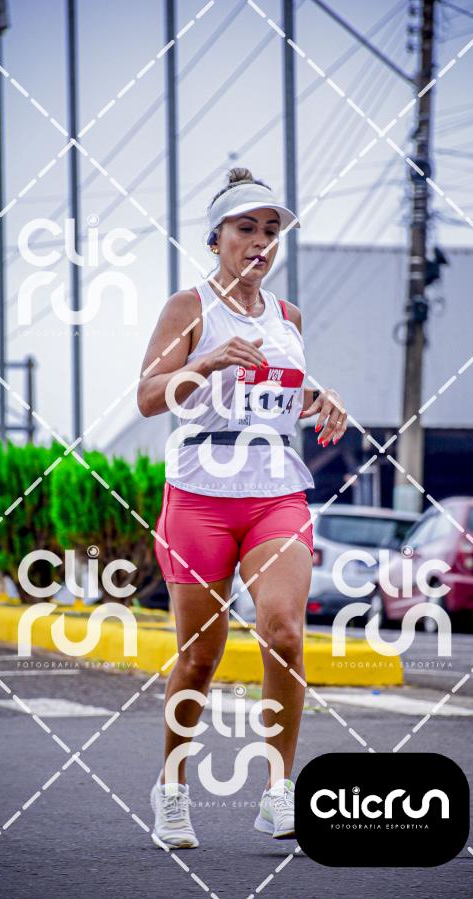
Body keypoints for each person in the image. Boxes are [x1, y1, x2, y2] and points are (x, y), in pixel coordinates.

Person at [137, 167, 347, 849]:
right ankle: (172, 789)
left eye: (271, 231)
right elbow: (148, 396)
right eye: (246, 228)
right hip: (200, 493)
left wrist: (322, 398)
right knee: (200, 657)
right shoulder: (189, 307)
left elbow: (283, 389)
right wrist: (204, 363)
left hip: (274, 490)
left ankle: (278, 790)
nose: (260, 241)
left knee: (284, 632)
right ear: (216, 239)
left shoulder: (289, 317)